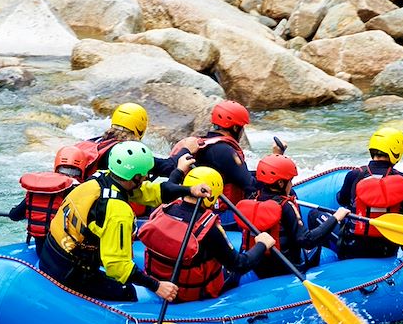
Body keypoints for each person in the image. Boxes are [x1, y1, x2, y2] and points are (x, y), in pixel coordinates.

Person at [38, 141, 209, 302]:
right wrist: (156, 286)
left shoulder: (101, 179)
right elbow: (117, 265)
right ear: (135, 177)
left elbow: (152, 192)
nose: (146, 178)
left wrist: (188, 190)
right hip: (67, 273)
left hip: (50, 253)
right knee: (127, 292)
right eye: (144, 175)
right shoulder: (118, 211)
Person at [137, 166, 276, 303]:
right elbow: (239, 264)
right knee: (234, 269)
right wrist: (262, 245)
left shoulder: (163, 209)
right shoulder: (207, 228)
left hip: (159, 284)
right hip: (190, 294)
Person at [312, 127, 403, 259]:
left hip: (351, 248)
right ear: (396, 153)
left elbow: (342, 200)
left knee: (314, 214)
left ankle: (331, 259)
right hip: (386, 250)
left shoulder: (355, 175)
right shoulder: (402, 180)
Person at [236, 154, 349, 278]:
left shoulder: (252, 200)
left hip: (259, 267)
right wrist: (336, 217)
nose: (291, 184)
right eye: (290, 180)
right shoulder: (285, 206)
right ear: (280, 183)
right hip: (286, 268)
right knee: (317, 243)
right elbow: (307, 240)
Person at [169, 100, 257, 211]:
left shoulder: (201, 144)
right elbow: (250, 185)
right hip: (220, 212)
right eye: (242, 127)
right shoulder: (226, 151)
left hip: (190, 204)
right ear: (235, 128)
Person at [8, 144, 95, 255]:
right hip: (63, 252)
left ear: (57, 167)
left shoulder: (38, 188)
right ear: (81, 170)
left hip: (40, 249)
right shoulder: (79, 191)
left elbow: (14, 216)